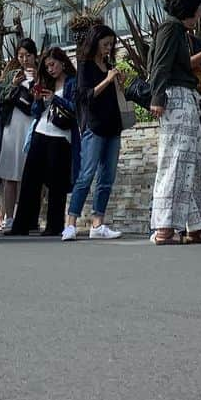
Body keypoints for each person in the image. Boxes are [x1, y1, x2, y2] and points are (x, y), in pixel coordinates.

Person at [149, 0, 201, 245]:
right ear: (190, 9)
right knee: (176, 161)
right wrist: (157, 97)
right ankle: (164, 227)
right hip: (175, 98)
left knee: (193, 163)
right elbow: (160, 64)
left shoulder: (177, 30)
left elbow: (183, 64)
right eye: (199, 8)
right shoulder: (171, 29)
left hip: (185, 97)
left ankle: (195, 226)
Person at [63, 25, 125, 243]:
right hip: (94, 125)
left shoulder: (109, 65)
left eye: (111, 44)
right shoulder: (85, 66)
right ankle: (70, 223)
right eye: (105, 44)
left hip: (113, 125)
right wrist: (107, 80)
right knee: (86, 175)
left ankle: (98, 222)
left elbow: (112, 95)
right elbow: (84, 96)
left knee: (107, 177)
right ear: (95, 42)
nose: (108, 48)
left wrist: (117, 82)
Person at [11, 47, 80, 238]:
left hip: (61, 137)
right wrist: (38, 99)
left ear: (62, 62)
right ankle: (21, 224)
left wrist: (55, 100)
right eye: (47, 66)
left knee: (56, 183)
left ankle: (54, 225)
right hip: (41, 131)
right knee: (30, 180)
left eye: (53, 64)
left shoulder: (72, 83)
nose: (50, 69)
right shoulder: (46, 82)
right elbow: (35, 111)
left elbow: (76, 109)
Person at [0, 38, 39, 232]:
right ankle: (9, 217)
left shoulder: (43, 74)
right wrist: (12, 85)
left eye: (28, 55)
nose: (24, 59)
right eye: (20, 56)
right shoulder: (11, 74)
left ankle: (29, 217)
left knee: (32, 175)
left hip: (33, 125)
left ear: (35, 55)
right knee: (10, 174)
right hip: (13, 126)